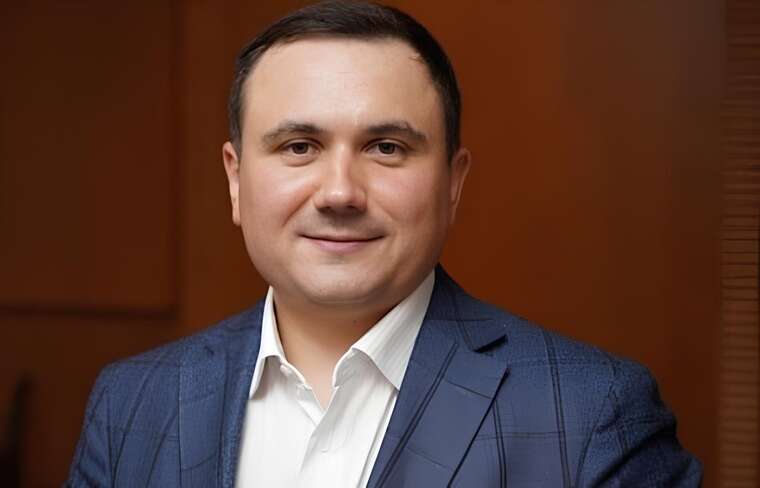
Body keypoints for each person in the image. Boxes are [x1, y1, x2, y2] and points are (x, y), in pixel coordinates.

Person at [66, 2, 702, 486]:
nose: (340, 192)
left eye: (386, 148)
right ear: (235, 180)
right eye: (299, 147)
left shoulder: (591, 415)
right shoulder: (132, 404)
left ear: (453, 183)